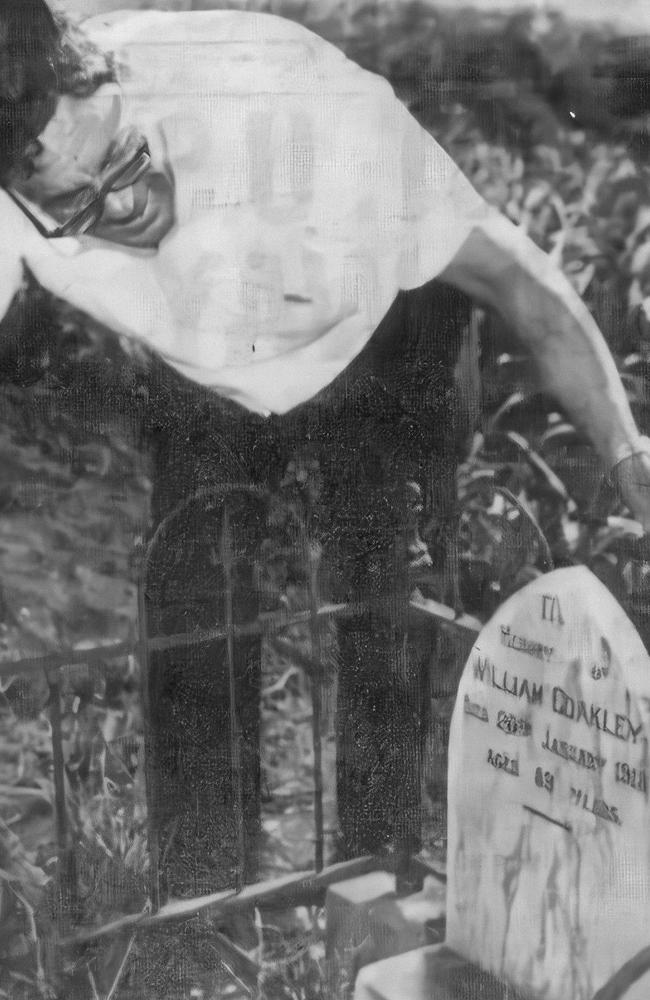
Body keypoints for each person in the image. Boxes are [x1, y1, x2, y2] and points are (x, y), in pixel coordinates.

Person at [2, 0, 650, 893]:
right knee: (193, 580)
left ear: (120, 90)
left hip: (386, 323)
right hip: (219, 354)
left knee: (388, 575)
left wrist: (628, 454)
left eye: (127, 161)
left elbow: (521, 283)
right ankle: (206, 900)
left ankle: (375, 876)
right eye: (75, 205)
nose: (127, 206)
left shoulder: (308, 115)